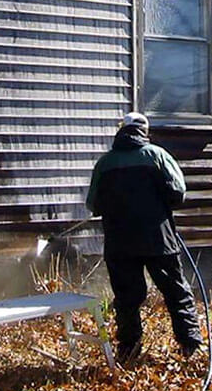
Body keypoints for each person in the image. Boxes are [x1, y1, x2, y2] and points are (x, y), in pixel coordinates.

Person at [86, 111, 203, 365]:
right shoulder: (158, 155)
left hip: (119, 243)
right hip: (158, 240)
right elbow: (178, 193)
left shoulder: (104, 163)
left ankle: (128, 350)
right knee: (176, 291)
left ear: (122, 131)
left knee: (127, 298)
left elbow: (93, 204)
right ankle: (190, 346)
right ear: (144, 131)